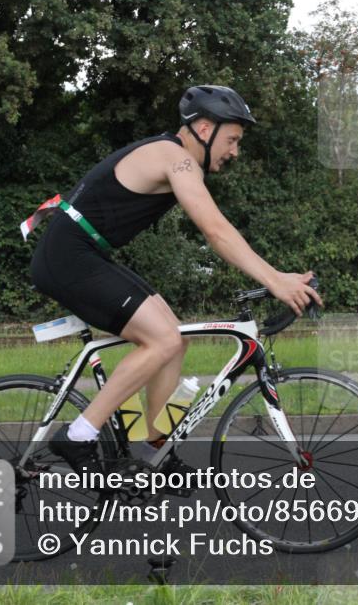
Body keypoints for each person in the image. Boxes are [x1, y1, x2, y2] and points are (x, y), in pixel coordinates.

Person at [27, 85, 323, 476]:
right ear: (203, 128)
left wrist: (277, 276)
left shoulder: (175, 157)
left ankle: (155, 448)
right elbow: (216, 230)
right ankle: (78, 435)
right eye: (232, 139)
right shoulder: (176, 158)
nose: (235, 151)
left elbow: (221, 231)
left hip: (81, 253)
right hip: (68, 256)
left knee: (174, 339)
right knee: (162, 338)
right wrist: (276, 282)